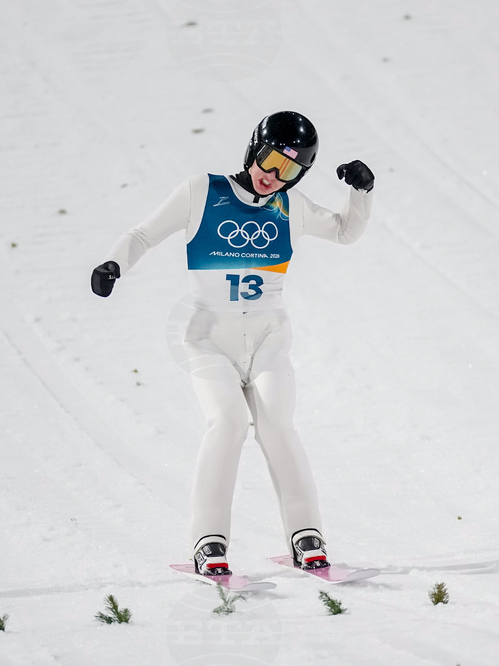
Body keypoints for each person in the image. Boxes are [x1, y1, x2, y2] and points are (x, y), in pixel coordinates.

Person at [91, 111, 374, 576]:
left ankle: (307, 535)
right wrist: (113, 264)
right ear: (252, 150)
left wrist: (361, 193)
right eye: (269, 162)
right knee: (227, 423)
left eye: (290, 171)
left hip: (268, 340)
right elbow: (143, 234)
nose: (272, 178)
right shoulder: (202, 192)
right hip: (210, 341)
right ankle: (208, 541)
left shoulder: (291, 206)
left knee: (277, 425)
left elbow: (345, 231)